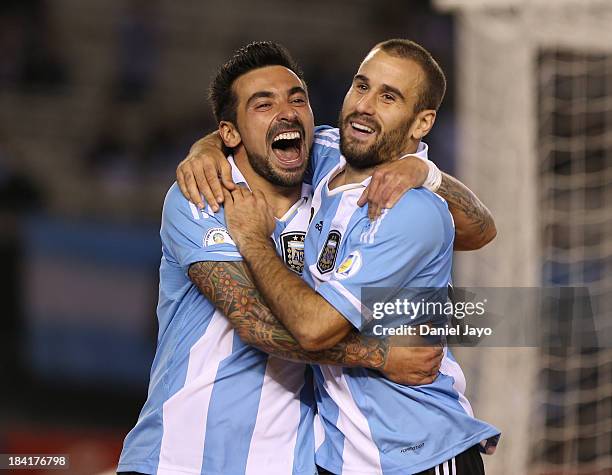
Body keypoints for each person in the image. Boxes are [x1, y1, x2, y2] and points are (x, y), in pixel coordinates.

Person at [118, 42, 459, 475]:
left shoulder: (330, 171)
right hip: (179, 458)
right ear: (230, 133)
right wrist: (378, 355)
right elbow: (257, 325)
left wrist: (423, 171)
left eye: (297, 99)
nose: (287, 112)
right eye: (264, 105)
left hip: (290, 464)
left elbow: (475, 227)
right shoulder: (206, 197)